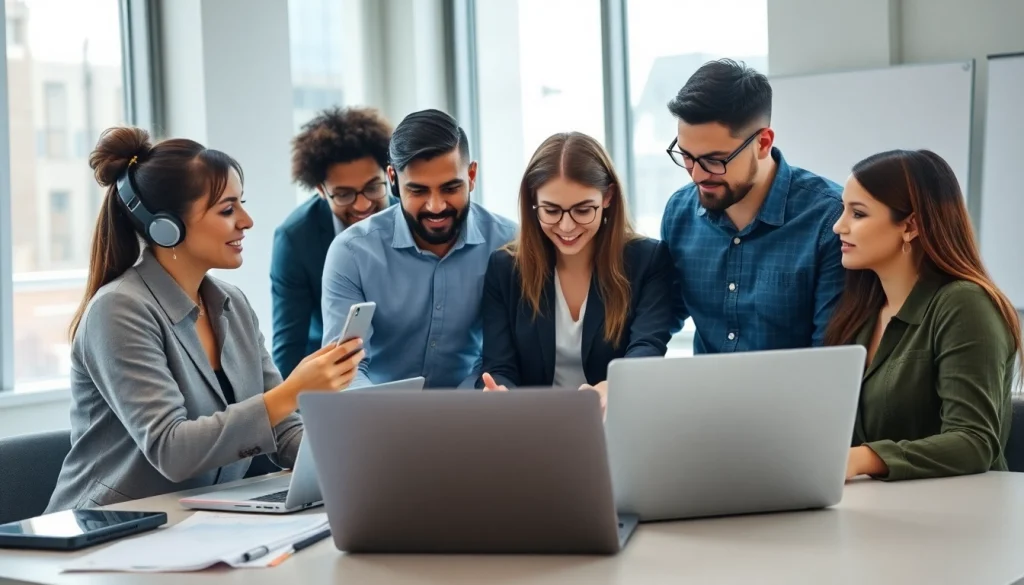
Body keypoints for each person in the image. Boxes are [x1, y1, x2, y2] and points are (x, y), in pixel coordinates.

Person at [46, 127, 364, 512]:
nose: (246, 221)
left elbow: (281, 430)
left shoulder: (233, 304)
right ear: (167, 227)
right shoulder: (119, 310)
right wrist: (292, 391)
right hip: (109, 531)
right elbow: (172, 449)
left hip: (200, 520)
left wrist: (357, 462)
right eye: (227, 209)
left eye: (241, 204)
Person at [827, 149, 1022, 482]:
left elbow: (974, 441)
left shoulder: (965, 304)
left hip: (958, 516)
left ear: (911, 225)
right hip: (875, 511)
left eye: (858, 214)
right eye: (843, 211)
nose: (838, 226)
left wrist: (864, 458)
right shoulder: (863, 311)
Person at [321, 109, 517, 388]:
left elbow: (505, 357)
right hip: (380, 417)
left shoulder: (509, 244)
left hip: (472, 414)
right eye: (418, 191)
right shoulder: (351, 253)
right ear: (393, 180)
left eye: (451, 188)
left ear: (472, 175)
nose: (436, 206)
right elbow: (344, 369)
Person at [478, 132, 674, 411]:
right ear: (533, 203)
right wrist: (498, 392)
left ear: (608, 197)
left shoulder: (648, 261)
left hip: (617, 418)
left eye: (583, 210)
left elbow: (647, 351)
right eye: (551, 211)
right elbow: (499, 366)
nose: (567, 227)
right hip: (531, 425)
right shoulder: (505, 269)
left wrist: (610, 387)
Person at [660, 59, 845, 353]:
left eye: (714, 160)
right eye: (686, 155)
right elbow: (660, 315)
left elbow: (830, 354)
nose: (696, 174)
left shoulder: (830, 219)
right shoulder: (679, 213)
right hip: (706, 397)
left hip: (796, 398)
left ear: (763, 143)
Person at [271, 106, 396, 378]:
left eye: (373, 187)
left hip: (401, 368)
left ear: (389, 175)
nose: (363, 204)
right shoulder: (295, 239)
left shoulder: (411, 215)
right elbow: (289, 345)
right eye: (344, 195)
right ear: (320, 190)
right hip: (335, 372)